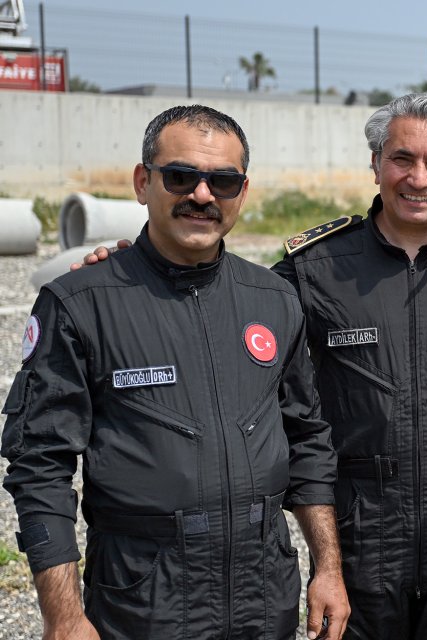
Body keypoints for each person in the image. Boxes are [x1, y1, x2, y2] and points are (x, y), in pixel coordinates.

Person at [84, 93, 427, 638]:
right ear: (376, 165)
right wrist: (136, 273)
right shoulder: (315, 267)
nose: (418, 178)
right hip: (361, 526)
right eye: (402, 159)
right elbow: (228, 302)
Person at [5, 105, 349, 639]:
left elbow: (307, 439)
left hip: (265, 600)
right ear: (144, 183)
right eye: (181, 176)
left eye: (223, 180)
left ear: (243, 191)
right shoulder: (81, 303)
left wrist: (327, 568)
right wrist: (65, 617)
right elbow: (40, 466)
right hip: (146, 606)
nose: (203, 195)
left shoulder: (274, 300)